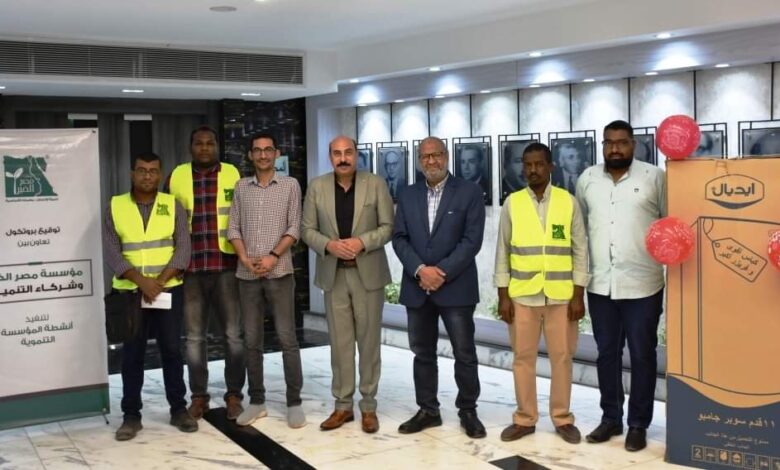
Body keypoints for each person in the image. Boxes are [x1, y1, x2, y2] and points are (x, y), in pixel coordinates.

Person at [576, 120, 666, 452]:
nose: (615, 148)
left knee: (642, 355)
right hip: (600, 285)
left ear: (633, 144)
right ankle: (611, 418)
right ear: (603, 145)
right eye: (609, 143)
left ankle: (638, 424)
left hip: (643, 285)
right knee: (606, 355)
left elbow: (671, 225)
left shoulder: (655, 177)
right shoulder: (587, 179)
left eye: (622, 142)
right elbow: (580, 231)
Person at [392, 136, 487, 439]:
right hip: (417, 286)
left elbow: (472, 240)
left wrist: (441, 272)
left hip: (456, 287)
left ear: (446, 156)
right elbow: (399, 238)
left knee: (464, 353)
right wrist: (421, 270)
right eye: (425, 156)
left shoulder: (469, 192)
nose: (431, 161)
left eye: (436, 155)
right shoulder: (407, 194)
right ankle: (428, 410)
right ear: (419, 161)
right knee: (422, 353)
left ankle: (468, 410)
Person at [494, 142, 589, 445]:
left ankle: (562, 418)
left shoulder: (568, 202)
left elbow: (580, 251)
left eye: (538, 164)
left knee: (562, 358)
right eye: (527, 164)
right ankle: (525, 418)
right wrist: (503, 296)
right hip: (522, 295)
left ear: (550, 167)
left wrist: (578, 295)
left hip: (562, 297)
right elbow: (502, 251)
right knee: (523, 359)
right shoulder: (512, 203)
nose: (532, 170)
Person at [301, 135, 394, 434]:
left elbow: (388, 227)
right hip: (334, 275)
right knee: (340, 346)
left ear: (356, 155)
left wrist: (361, 242)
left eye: (348, 152)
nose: (343, 158)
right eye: (337, 153)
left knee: (369, 344)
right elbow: (306, 230)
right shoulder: (317, 186)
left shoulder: (375, 184)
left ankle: (368, 407)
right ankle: (342, 406)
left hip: (368, 275)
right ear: (330, 157)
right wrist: (329, 245)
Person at [104, 152, 197, 441]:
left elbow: (183, 248)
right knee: (132, 354)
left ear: (160, 175)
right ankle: (131, 415)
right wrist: (142, 282)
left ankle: (178, 409)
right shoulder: (115, 206)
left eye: (153, 170)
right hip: (130, 293)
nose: (147, 175)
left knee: (172, 350)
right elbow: (112, 252)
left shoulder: (173, 205)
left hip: (167, 290)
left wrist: (159, 282)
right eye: (142, 170)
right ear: (132, 174)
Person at [167, 126, 245, 421]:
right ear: (191, 147)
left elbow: (244, 216)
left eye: (209, 143)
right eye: (198, 143)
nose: (204, 148)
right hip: (190, 269)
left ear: (217, 146)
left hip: (226, 266)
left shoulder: (232, 174)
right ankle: (199, 397)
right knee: (194, 338)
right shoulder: (176, 176)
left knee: (233, 336)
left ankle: (234, 395)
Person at [227, 132, 305, 428]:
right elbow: (233, 228)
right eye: (257, 150)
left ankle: (294, 402)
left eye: (267, 150)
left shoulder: (290, 185)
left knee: (287, 339)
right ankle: (257, 401)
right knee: (252, 341)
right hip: (247, 275)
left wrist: (272, 256)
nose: (262, 155)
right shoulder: (241, 187)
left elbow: (294, 227)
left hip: (279, 273)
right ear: (250, 155)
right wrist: (245, 258)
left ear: (276, 154)